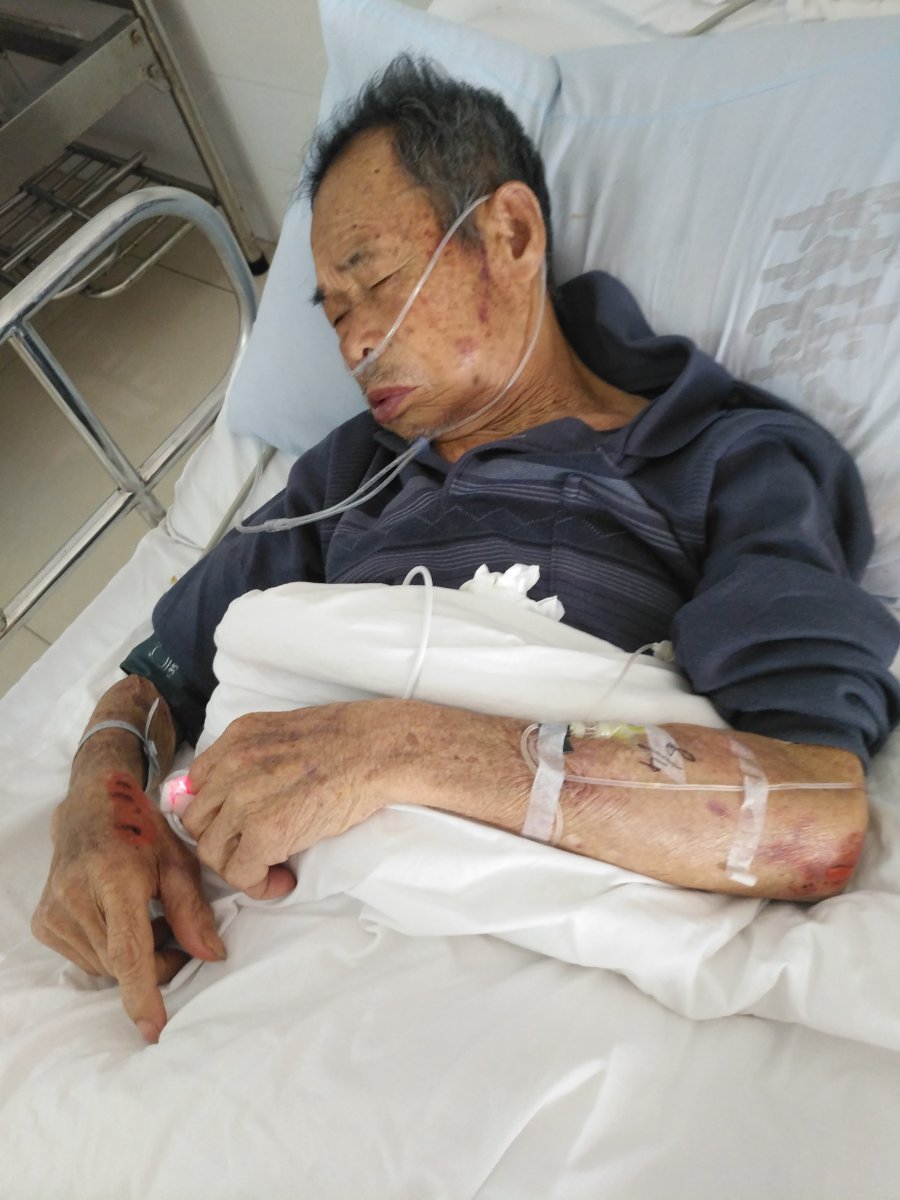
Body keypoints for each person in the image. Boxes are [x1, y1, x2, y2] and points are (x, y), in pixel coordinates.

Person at [32, 56, 899, 1044]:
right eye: (333, 311)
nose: (353, 344)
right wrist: (99, 800)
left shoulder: (730, 458)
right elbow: (156, 676)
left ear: (512, 234)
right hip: (275, 953)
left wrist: (398, 748)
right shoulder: (347, 473)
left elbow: (811, 812)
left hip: (545, 998)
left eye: (376, 283)